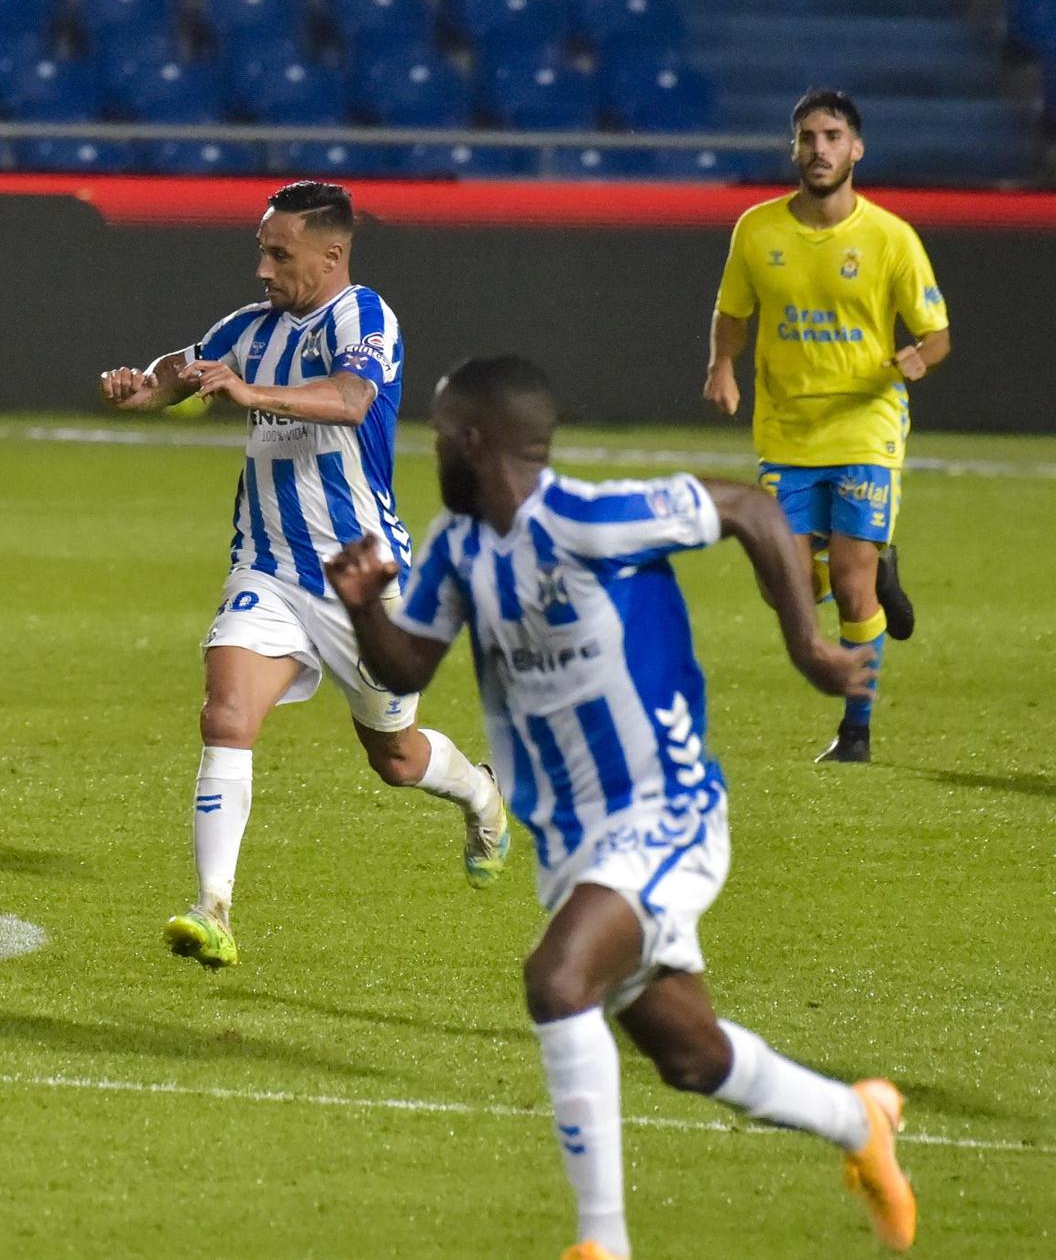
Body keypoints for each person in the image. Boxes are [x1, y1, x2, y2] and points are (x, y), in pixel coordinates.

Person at [326, 355, 914, 1260]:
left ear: (473, 442)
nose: (432, 447)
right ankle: (860, 1120)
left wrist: (807, 645)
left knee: (558, 980)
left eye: (441, 433)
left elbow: (750, 508)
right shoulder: (458, 545)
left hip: (664, 809)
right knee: (693, 1058)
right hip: (572, 843)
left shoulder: (593, 518)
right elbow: (408, 667)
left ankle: (601, 1244)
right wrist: (365, 608)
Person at [97, 180, 510, 971]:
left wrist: (251, 393)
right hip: (269, 566)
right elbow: (178, 371)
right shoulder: (248, 329)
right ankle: (211, 906)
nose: (261, 268)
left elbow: (353, 399)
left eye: (277, 252)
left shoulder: (364, 317)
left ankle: (480, 794)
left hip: (362, 578)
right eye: (260, 248)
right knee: (224, 715)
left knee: (393, 756)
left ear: (332, 254)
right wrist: (139, 387)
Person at [703, 88, 950, 764]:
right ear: (795, 148)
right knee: (783, 582)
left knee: (849, 580)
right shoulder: (757, 230)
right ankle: (883, 565)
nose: (820, 149)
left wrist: (917, 358)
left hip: (867, 423)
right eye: (809, 137)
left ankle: (856, 732)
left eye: (833, 136)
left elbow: (938, 334)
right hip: (786, 428)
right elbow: (733, 311)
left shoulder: (890, 237)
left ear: (856, 148)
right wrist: (722, 363)